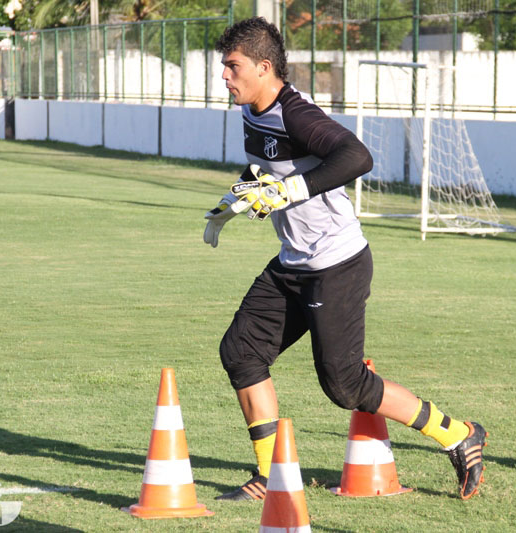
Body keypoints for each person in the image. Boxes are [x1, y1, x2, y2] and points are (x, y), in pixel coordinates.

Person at [203, 17, 487, 502]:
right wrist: (244, 193)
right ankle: (274, 476)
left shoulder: (296, 112)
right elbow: (267, 164)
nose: (224, 77)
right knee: (241, 353)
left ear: (264, 66)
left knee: (346, 385)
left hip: (337, 263)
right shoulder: (253, 110)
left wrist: (287, 190)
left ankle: (459, 434)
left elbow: (357, 156)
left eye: (232, 67)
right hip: (293, 262)